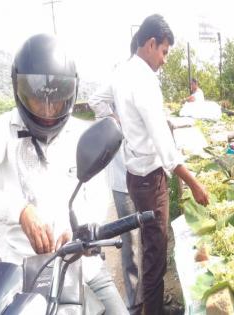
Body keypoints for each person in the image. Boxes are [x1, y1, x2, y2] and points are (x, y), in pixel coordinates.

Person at [0, 34, 128, 313]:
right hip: (20, 274)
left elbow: (97, 196)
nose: (46, 111)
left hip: (81, 267)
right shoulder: (1, 132)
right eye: (37, 99)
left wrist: (81, 229)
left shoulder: (80, 134)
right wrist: (19, 210)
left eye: (56, 100)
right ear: (20, 90)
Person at [90, 14, 209, 315]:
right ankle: (153, 310)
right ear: (151, 43)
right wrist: (195, 184)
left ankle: (149, 305)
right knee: (156, 250)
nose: (165, 60)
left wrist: (116, 123)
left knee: (149, 245)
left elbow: (96, 100)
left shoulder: (121, 72)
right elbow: (165, 148)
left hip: (134, 175)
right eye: (164, 52)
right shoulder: (144, 81)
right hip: (150, 178)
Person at [89, 31, 142, 315]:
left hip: (143, 173)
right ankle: (134, 302)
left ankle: (144, 296)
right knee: (129, 243)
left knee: (145, 240)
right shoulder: (120, 77)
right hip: (123, 177)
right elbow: (95, 98)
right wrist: (116, 122)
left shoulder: (142, 81)